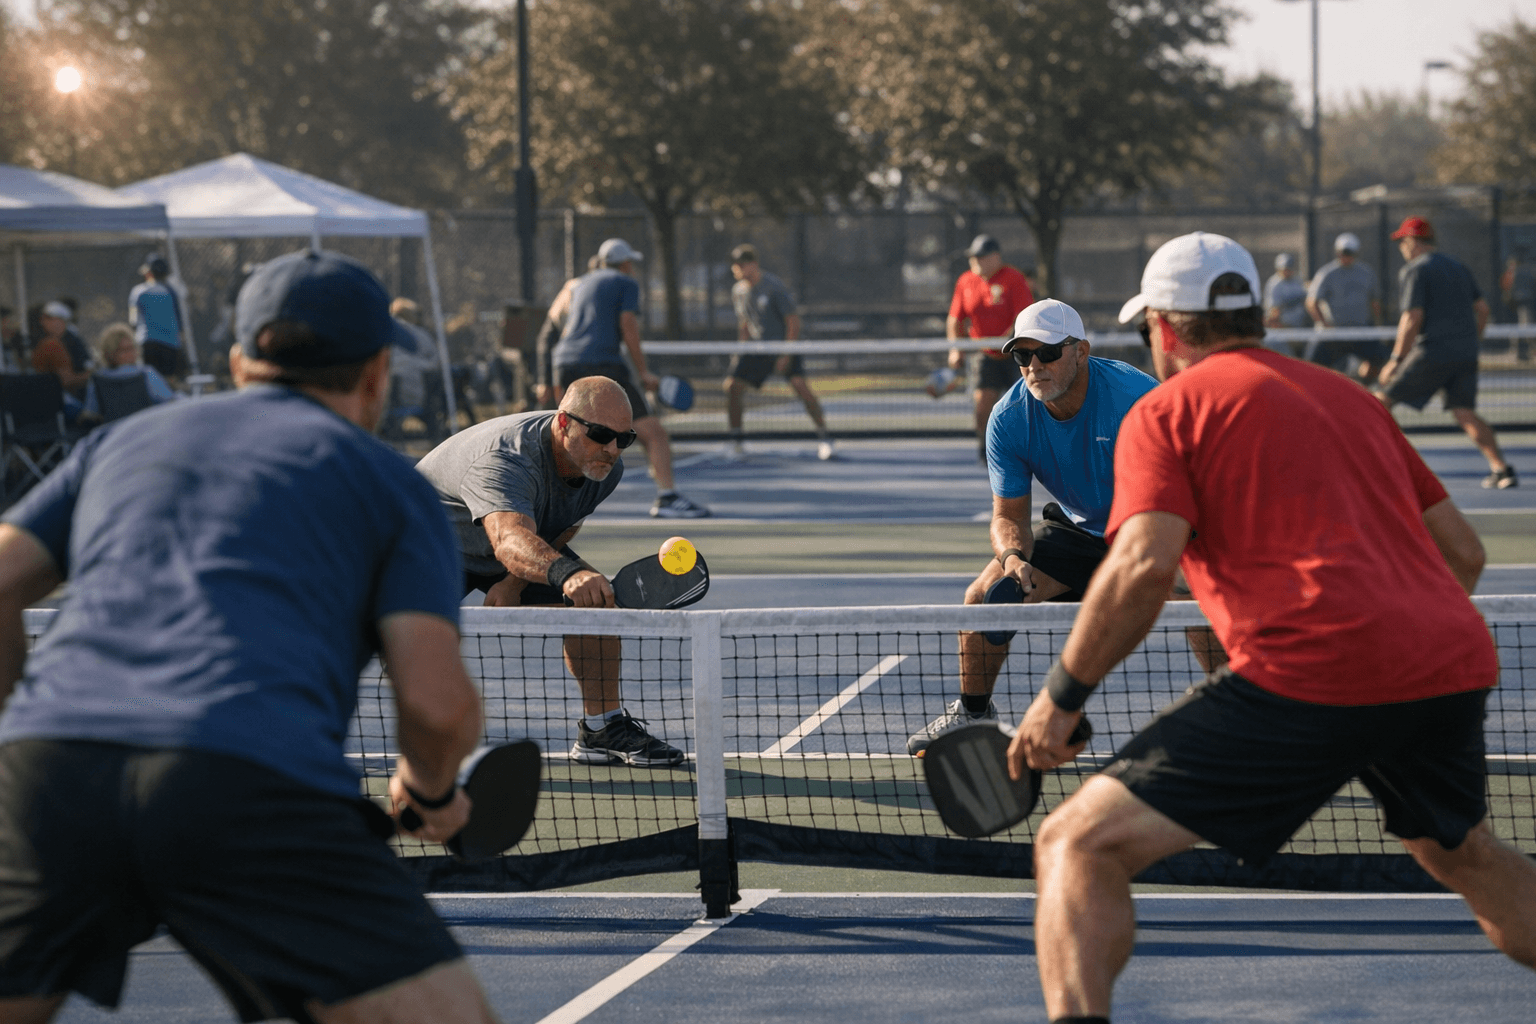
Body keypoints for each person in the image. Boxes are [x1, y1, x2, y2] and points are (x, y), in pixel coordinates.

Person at [1009, 231, 1536, 1024]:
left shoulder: (1168, 410)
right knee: (1460, 851)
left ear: (1166, 327)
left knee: (1076, 844)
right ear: (1253, 311)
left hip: (1309, 674)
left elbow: (1144, 567)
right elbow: (1462, 552)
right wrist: (1397, 645)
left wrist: (1062, 695)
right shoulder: (1354, 400)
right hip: (1448, 661)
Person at [0, 248, 506, 1023]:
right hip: (248, 783)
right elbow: (436, 708)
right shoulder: (392, 489)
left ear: (239, 362)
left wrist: (27, 729)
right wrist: (431, 791)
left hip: (48, 778)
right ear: (376, 373)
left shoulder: (118, 445)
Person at [906, 298, 1158, 754]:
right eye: (1023, 355)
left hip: (1154, 523)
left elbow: (1174, 496)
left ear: (1080, 351)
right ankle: (974, 714)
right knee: (982, 597)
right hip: (1083, 532)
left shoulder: (1134, 400)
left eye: (1047, 352)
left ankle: (1239, 718)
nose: (1034, 366)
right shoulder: (1008, 418)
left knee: (1197, 601)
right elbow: (1008, 516)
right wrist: (1013, 558)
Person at [414, 376, 686, 767]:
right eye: (599, 434)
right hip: (424, 546)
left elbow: (562, 523)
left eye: (623, 439)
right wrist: (566, 575)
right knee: (380, 641)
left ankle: (601, 730)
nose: (611, 449)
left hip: (503, 543)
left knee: (596, 602)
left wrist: (513, 582)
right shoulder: (507, 459)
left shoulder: (604, 465)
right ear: (563, 424)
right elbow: (509, 539)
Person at [551, 238, 709, 519]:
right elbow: (628, 327)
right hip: (603, 363)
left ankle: (551, 499)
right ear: (625, 264)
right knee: (654, 433)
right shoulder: (626, 283)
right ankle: (668, 497)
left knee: (570, 433)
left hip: (564, 361)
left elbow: (562, 326)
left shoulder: (580, 284)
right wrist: (643, 372)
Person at [1378, 216, 1517, 490]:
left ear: (1413, 243)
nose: (1402, 249)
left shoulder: (1415, 270)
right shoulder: (1459, 267)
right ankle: (1501, 470)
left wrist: (1396, 360)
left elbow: (1412, 317)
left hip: (1432, 351)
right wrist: (1470, 342)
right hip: (1466, 353)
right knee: (1465, 413)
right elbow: (1483, 310)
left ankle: (1396, 470)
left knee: (1379, 402)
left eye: (1403, 243)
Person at [724, 244, 835, 460]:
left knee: (800, 387)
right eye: (735, 265)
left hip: (783, 344)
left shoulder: (773, 286)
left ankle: (825, 438)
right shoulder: (738, 291)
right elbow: (745, 324)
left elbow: (793, 322)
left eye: (742, 264)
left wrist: (785, 354)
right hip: (757, 349)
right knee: (732, 387)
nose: (737, 268)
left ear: (753, 264)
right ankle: (736, 441)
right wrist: (740, 351)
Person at [946, 234, 1035, 461]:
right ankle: (986, 451)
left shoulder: (1014, 278)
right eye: (972, 258)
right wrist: (956, 349)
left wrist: (1009, 341)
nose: (975, 262)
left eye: (981, 257)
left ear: (996, 257)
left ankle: (1027, 450)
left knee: (1024, 405)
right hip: (983, 354)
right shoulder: (965, 281)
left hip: (1015, 353)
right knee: (983, 404)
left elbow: (1024, 315)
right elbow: (955, 319)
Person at [1305, 232, 1384, 381]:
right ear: (1337, 252)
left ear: (1356, 253)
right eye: (1342, 252)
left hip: (1361, 332)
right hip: (1334, 335)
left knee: (1382, 359)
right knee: (1313, 365)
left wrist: (1377, 326)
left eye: (1349, 253)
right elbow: (1311, 302)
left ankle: (1365, 388)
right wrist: (1324, 324)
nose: (1345, 256)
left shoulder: (1367, 272)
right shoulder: (1327, 273)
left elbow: (1375, 301)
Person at [81, 322, 177, 420]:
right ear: (110, 353)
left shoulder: (97, 378)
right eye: (123, 350)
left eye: (132, 348)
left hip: (114, 432)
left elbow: (90, 413)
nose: (130, 354)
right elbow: (171, 401)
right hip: (145, 428)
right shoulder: (145, 373)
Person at [127, 252, 189, 383]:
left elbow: (132, 320)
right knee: (169, 382)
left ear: (148, 273)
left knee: (150, 382)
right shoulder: (173, 292)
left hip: (147, 343)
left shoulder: (138, 292)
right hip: (171, 345)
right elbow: (180, 320)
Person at [30, 300, 92, 400]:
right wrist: (91, 375)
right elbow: (66, 381)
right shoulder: (52, 345)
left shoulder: (46, 343)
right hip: (58, 401)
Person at [1500, 254, 1534, 361]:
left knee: (1521, 328)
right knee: (1524, 328)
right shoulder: (1529, 272)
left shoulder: (1513, 273)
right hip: (1525, 303)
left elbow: (1506, 287)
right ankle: (1523, 352)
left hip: (1517, 303)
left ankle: (1522, 352)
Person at [1261, 253, 1308, 329]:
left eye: (1288, 269)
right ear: (1278, 269)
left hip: (1300, 324)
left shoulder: (1297, 280)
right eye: (1284, 269)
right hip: (1282, 326)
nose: (1286, 272)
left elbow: (1305, 298)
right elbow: (1274, 311)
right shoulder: (1274, 284)